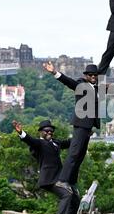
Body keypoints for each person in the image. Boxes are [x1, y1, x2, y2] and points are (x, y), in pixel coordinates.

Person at [42, 61, 103, 194]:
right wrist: (54, 72)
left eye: (95, 75)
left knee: (80, 155)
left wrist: (92, 126)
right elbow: (69, 82)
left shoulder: (95, 88)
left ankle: (71, 181)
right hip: (81, 124)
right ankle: (62, 180)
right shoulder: (81, 84)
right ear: (86, 76)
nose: (93, 76)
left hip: (87, 127)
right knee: (74, 153)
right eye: (90, 75)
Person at [12, 119, 80, 214]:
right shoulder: (39, 143)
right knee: (67, 194)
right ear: (41, 132)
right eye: (47, 131)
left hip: (59, 178)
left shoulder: (56, 143)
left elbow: (69, 142)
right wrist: (21, 132)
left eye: (51, 131)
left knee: (75, 197)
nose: (49, 132)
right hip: (49, 179)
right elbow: (30, 140)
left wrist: (83, 135)